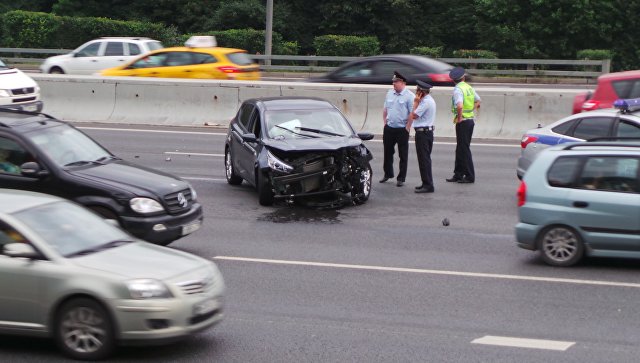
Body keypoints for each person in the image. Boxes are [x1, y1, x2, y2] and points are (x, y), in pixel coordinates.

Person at [447, 67, 481, 184]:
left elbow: (460, 106)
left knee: (464, 148)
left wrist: (460, 117)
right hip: (470, 120)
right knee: (460, 148)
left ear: (453, 80)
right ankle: (458, 174)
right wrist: (471, 110)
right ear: (464, 78)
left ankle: (470, 176)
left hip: (463, 121)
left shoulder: (458, 89)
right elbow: (478, 100)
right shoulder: (468, 87)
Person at [380, 71, 414, 187]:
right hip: (389, 128)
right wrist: (385, 123)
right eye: (393, 82)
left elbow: (412, 113)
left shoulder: (409, 96)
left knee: (403, 155)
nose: (394, 84)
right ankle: (387, 174)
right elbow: (385, 109)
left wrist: (408, 128)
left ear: (403, 83)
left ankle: (401, 178)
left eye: (396, 82)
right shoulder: (389, 93)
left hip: (402, 130)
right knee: (387, 152)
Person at [406, 80, 436, 193]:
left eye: (417, 91)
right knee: (424, 159)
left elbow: (413, 115)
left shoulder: (425, 102)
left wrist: (415, 103)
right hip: (425, 133)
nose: (416, 93)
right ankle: (425, 182)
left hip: (423, 133)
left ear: (421, 92)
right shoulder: (428, 100)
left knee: (424, 160)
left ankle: (428, 185)